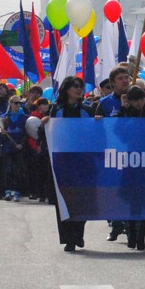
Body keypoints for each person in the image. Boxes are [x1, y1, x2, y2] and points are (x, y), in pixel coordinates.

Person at [45, 76, 94, 252]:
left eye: (80, 87)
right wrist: (44, 124)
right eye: (75, 87)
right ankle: (68, 237)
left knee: (83, 198)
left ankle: (78, 233)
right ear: (67, 90)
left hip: (83, 161)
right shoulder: (56, 110)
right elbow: (48, 134)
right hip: (63, 160)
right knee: (65, 200)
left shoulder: (88, 110)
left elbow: (96, 134)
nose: (79, 90)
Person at [115, 85, 145, 251]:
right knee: (133, 202)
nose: (139, 103)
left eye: (141, 99)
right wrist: (122, 110)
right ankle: (131, 236)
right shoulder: (125, 114)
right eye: (135, 100)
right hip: (132, 162)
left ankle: (141, 238)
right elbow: (118, 131)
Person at [96, 66, 131, 241]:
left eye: (127, 77)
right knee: (112, 190)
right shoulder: (104, 103)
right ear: (113, 83)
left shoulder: (138, 98)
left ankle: (132, 226)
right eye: (121, 78)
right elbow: (97, 129)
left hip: (132, 154)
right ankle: (116, 224)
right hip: (111, 154)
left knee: (130, 190)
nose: (125, 81)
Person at [1, 95, 28, 202]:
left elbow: (27, 133)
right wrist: (2, 133)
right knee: (8, 170)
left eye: (19, 103)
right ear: (11, 104)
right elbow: (0, 133)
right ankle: (8, 191)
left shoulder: (24, 117)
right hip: (8, 148)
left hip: (19, 148)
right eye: (16, 103)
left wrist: (22, 144)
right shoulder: (5, 118)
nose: (18, 105)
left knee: (17, 171)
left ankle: (17, 192)